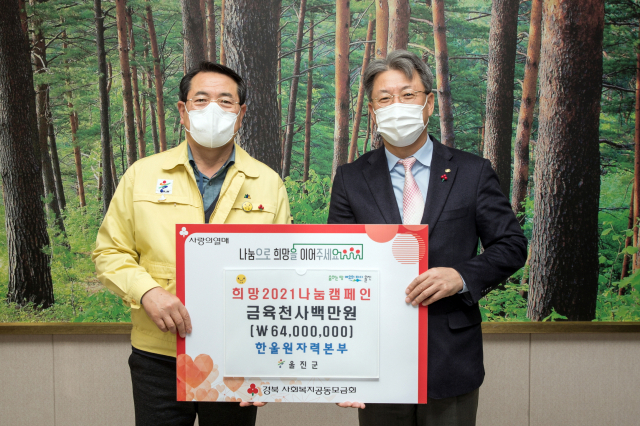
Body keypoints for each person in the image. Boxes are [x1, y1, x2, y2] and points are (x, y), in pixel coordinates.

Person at [328, 50, 527, 425]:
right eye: (384, 98)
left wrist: (461, 275)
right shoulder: (351, 178)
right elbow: (335, 265)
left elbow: (511, 246)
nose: (396, 106)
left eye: (408, 95)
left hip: (450, 355)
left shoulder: (472, 171)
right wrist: (344, 364)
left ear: (429, 103)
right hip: (376, 357)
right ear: (372, 111)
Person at [93, 62, 291, 426]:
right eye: (201, 100)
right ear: (183, 110)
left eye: (225, 101)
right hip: (158, 354)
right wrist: (147, 291)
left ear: (241, 114)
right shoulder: (142, 175)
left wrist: (265, 360)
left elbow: (281, 271)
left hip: (236, 354)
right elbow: (109, 252)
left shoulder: (267, 182)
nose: (213, 110)